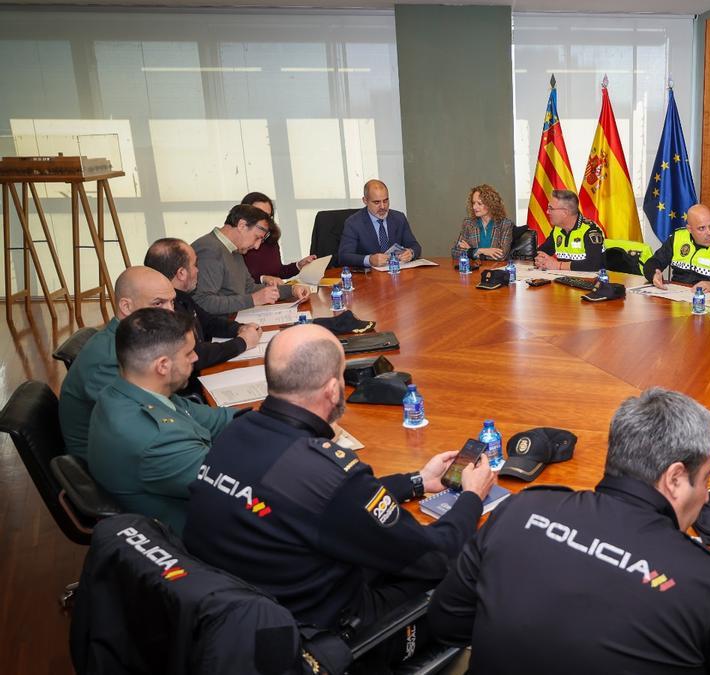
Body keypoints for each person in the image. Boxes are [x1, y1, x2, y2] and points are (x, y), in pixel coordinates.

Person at [428, 387, 710, 674]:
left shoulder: (521, 510)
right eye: (707, 477)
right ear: (674, 478)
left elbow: (446, 622)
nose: (708, 495)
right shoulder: (709, 586)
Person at [183, 323, 496, 631]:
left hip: (240, 613)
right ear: (333, 389)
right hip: (319, 629)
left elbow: (319, 503)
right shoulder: (327, 471)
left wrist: (417, 480)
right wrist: (471, 497)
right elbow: (436, 554)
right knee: (464, 568)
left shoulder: (236, 432)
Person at [87, 308, 236, 534]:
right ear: (163, 365)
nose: (196, 357)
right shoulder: (157, 438)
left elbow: (217, 418)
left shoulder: (131, 391)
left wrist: (280, 416)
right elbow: (234, 483)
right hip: (196, 537)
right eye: (188, 353)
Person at [59, 266, 177, 460]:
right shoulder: (110, 359)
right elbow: (148, 423)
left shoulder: (132, 342)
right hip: (112, 465)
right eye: (158, 304)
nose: (171, 312)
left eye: (172, 302)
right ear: (126, 307)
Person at [144, 237, 262, 379]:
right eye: (195, 265)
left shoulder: (181, 297)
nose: (198, 270)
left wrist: (239, 328)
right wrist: (242, 343)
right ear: (181, 273)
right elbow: (194, 354)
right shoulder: (161, 311)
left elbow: (208, 322)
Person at [191, 204, 309, 315]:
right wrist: (252, 299)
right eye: (257, 237)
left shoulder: (234, 249)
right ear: (242, 225)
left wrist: (292, 290)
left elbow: (250, 288)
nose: (257, 246)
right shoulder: (209, 249)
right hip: (218, 330)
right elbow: (203, 302)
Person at [643, 203, 710, 294]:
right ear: (689, 229)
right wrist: (654, 273)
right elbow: (654, 261)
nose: (709, 233)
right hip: (676, 301)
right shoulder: (678, 238)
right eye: (701, 228)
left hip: (709, 306)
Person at [339, 179, 422, 268]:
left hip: (397, 272)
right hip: (369, 277)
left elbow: (415, 246)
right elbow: (344, 256)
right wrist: (369, 260)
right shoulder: (353, 223)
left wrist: (411, 253)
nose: (382, 207)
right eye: (377, 202)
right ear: (365, 201)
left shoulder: (399, 218)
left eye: (385, 201)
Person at [238, 191, 317, 284]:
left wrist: (298, 265)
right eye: (259, 214)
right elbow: (236, 282)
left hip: (273, 294)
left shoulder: (270, 239)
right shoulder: (238, 244)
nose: (264, 220)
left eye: (267, 216)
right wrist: (263, 279)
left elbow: (277, 273)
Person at [533, 189, 605, 272]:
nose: (547, 212)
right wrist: (540, 260)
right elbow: (543, 251)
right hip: (566, 279)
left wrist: (558, 265)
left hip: (592, 281)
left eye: (551, 209)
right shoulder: (558, 229)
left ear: (565, 212)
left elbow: (593, 264)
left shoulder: (590, 230)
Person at [451, 184, 514, 261]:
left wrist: (471, 251)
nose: (474, 207)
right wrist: (480, 251)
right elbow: (455, 252)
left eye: (479, 204)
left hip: (495, 270)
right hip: (474, 270)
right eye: (473, 203)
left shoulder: (505, 224)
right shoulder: (468, 223)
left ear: (491, 204)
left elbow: (501, 256)